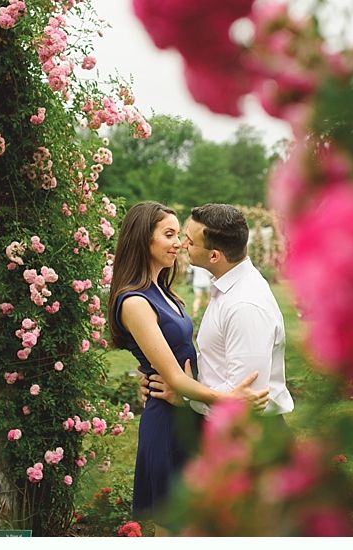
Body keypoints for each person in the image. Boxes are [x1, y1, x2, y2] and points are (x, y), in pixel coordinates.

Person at [107, 201, 270, 520]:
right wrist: (229, 399)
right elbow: (175, 378)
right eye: (169, 235)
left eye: (179, 235)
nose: (179, 243)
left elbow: (177, 361)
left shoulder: (164, 291)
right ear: (144, 239)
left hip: (186, 412)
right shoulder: (135, 301)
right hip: (167, 421)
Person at [144, 203, 294, 421]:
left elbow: (245, 400)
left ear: (214, 256)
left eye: (191, 242)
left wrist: (187, 397)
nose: (183, 245)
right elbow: (217, 363)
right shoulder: (229, 289)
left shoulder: (245, 305)